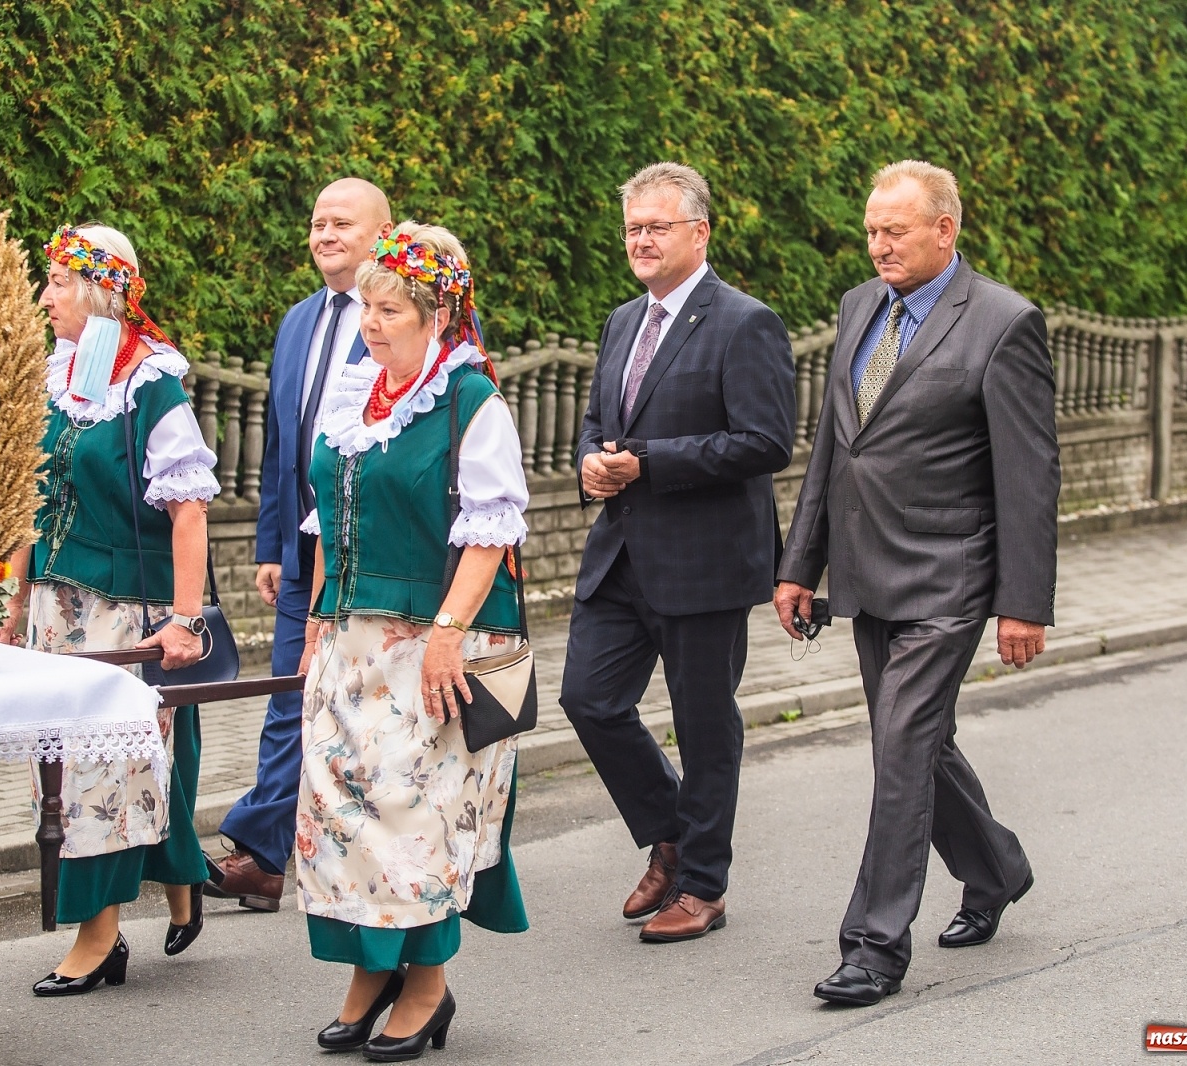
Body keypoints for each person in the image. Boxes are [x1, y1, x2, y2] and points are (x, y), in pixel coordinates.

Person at [775, 160, 1060, 1007]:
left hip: (951, 575)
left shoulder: (1005, 323)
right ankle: (997, 868)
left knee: (900, 749)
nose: (878, 245)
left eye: (894, 230)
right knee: (919, 746)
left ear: (946, 230)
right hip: (866, 572)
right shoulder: (860, 307)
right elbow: (835, 448)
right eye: (870, 230)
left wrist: (1023, 602)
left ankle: (873, 946)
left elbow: (1029, 474)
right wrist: (799, 565)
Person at [295, 222, 529, 1059]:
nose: (374, 324)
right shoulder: (353, 397)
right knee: (337, 808)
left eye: (391, 310)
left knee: (411, 812)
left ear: (437, 315)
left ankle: (425, 985)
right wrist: (318, 623)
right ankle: (369, 971)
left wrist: (445, 637)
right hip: (351, 640)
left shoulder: (471, 399)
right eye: (369, 309)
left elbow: (489, 532)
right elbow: (328, 514)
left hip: (437, 640)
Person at [559, 162, 796, 943]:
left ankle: (702, 885)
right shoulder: (622, 320)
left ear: (700, 232)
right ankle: (670, 832)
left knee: (703, 726)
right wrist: (592, 457)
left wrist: (651, 463)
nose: (641, 240)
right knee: (588, 700)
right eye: (632, 228)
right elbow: (599, 420)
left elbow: (765, 441)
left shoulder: (744, 321)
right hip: (620, 553)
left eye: (657, 226)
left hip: (706, 561)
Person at [2, 223, 221, 996]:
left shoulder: (153, 386)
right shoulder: (61, 376)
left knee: (105, 775)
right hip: (54, 612)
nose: (45, 295)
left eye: (59, 280)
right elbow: (32, 494)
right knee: (63, 771)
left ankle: (97, 940)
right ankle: (177, 881)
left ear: (101, 290)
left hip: (125, 612)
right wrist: (13, 594)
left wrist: (185, 621)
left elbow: (190, 510)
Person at [206, 178, 393, 911]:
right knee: (291, 693)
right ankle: (262, 853)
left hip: (370, 551)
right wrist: (272, 543)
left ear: (382, 232)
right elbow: (283, 441)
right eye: (317, 223)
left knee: (363, 705)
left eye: (342, 223)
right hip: (301, 552)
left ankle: (370, 848)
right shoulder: (297, 322)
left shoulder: (395, 321)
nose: (324, 235)